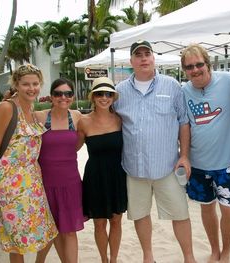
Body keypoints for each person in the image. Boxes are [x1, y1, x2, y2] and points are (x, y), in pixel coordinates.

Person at [114, 40, 196, 263]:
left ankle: (189, 257)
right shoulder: (119, 92)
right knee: (140, 214)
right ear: (131, 61)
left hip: (167, 166)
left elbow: (184, 122)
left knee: (180, 213)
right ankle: (148, 256)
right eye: (138, 55)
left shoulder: (171, 85)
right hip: (133, 168)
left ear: (153, 58)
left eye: (147, 54)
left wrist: (184, 156)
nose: (143, 58)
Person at [181, 44, 230, 263]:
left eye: (199, 64)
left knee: (229, 210)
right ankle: (214, 249)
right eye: (189, 67)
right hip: (198, 164)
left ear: (207, 63)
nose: (195, 70)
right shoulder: (183, 91)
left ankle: (226, 251)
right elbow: (184, 126)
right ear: (184, 70)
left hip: (227, 162)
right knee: (207, 209)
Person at [0, 64, 58, 262]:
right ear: (16, 85)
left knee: (46, 232)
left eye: (35, 84)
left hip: (33, 184)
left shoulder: (31, 110)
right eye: (26, 84)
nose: (31, 88)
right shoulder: (6, 107)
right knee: (17, 243)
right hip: (10, 187)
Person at [77, 77, 127, 263]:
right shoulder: (83, 122)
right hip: (95, 177)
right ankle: (103, 260)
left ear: (113, 97)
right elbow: (71, 149)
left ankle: (113, 259)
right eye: (99, 93)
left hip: (117, 176)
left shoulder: (120, 119)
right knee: (99, 223)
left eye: (108, 94)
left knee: (116, 220)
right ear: (93, 97)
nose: (104, 98)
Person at [35, 78, 85, 263]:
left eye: (68, 94)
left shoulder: (77, 116)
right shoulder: (39, 117)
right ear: (51, 96)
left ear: (73, 96)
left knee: (69, 230)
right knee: (50, 230)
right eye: (58, 93)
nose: (63, 97)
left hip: (70, 182)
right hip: (44, 182)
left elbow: (78, 145)